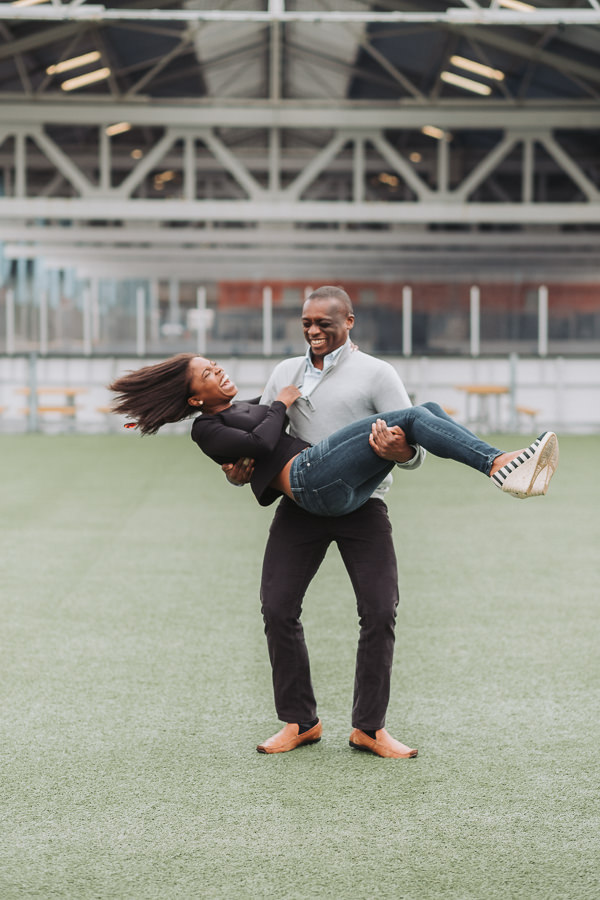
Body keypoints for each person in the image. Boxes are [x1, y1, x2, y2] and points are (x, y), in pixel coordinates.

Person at [110, 355, 558, 514]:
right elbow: (264, 444)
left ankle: (504, 465)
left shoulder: (244, 407)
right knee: (414, 417)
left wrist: (273, 409)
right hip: (309, 482)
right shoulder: (207, 429)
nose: (219, 370)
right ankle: (499, 466)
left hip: (341, 491)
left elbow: (259, 442)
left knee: (426, 411)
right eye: (208, 373)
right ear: (194, 398)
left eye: (215, 364)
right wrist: (281, 403)